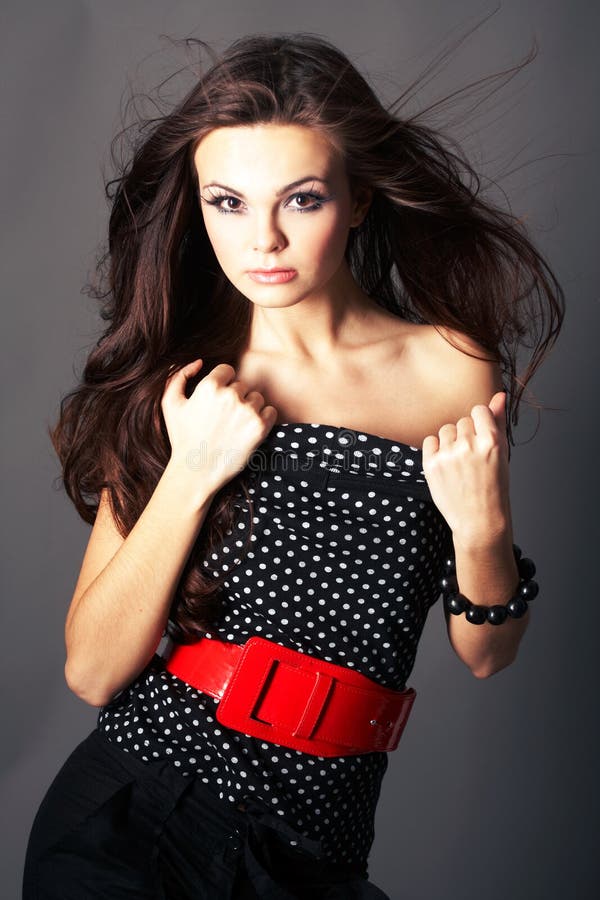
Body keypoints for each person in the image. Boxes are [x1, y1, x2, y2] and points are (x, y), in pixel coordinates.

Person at [22, 29, 564, 900]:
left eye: (301, 199)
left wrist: (484, 527)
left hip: (322, 850)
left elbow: (486, 653)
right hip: (144, 817)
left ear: (356, 199)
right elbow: (91, 668)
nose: (261, 240)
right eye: (227, 203)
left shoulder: (453, 367)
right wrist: (194, 471)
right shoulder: (187, 381)